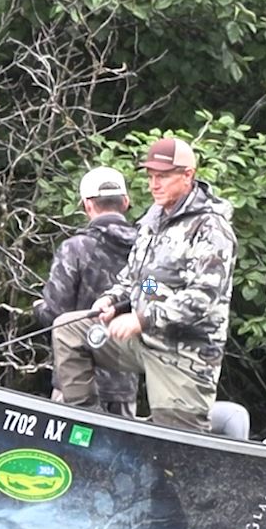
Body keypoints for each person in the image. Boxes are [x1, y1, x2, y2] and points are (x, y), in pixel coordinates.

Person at [51, 137, 237, 432]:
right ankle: (89, 424)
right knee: (67, 329)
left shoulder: (211, 228)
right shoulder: (152, 222)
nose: (154, 185)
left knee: (176, 445)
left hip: (185, 353)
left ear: (188, 175)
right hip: (143, 340)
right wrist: (113, 300)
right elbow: (145, 281)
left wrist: (141, 318)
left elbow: (203, 297)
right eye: (150, 177)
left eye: (163, 176)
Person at [34, 166, 140, 416]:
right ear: (125, 202)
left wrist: (37, 307)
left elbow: (54, 316)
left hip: (74, 384)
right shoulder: (146, 249)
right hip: (124, 385)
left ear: (87, 205)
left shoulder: (75, 249)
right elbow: (150, 289)